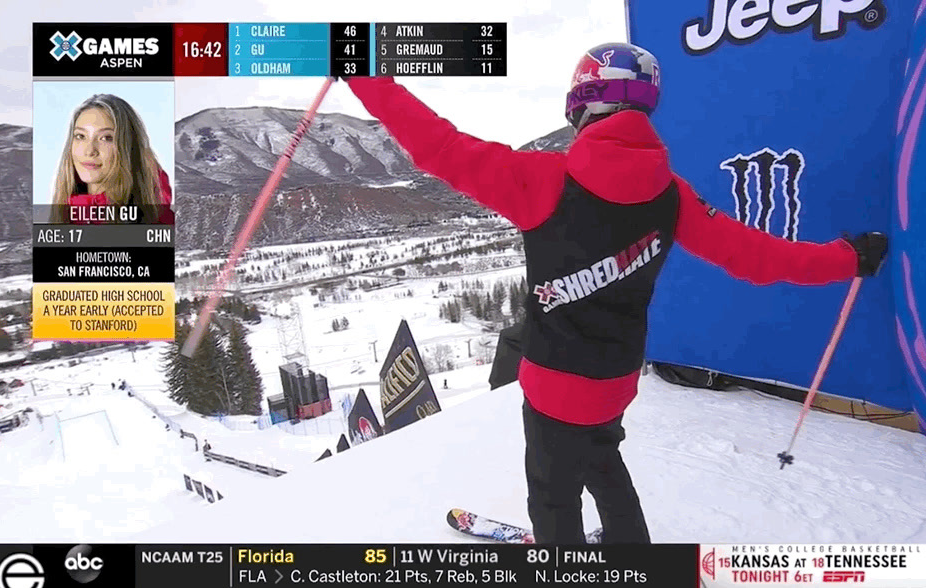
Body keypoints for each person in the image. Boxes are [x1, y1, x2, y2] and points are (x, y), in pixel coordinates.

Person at [344, 42, 888, 544]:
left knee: (554, 502)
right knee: (603, 462)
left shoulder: (544, 180)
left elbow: (437, 144)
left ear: (582, 104)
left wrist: (363, 70)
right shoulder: (673, 196)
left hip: (555, 383)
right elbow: (763, 260)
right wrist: (848, 257)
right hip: (617, 378)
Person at [49, 93, 173, 224]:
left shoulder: (158, 226)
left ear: (129, 147)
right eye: (80, 136)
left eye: (106, 138)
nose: (90, 151)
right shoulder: (63, 219)